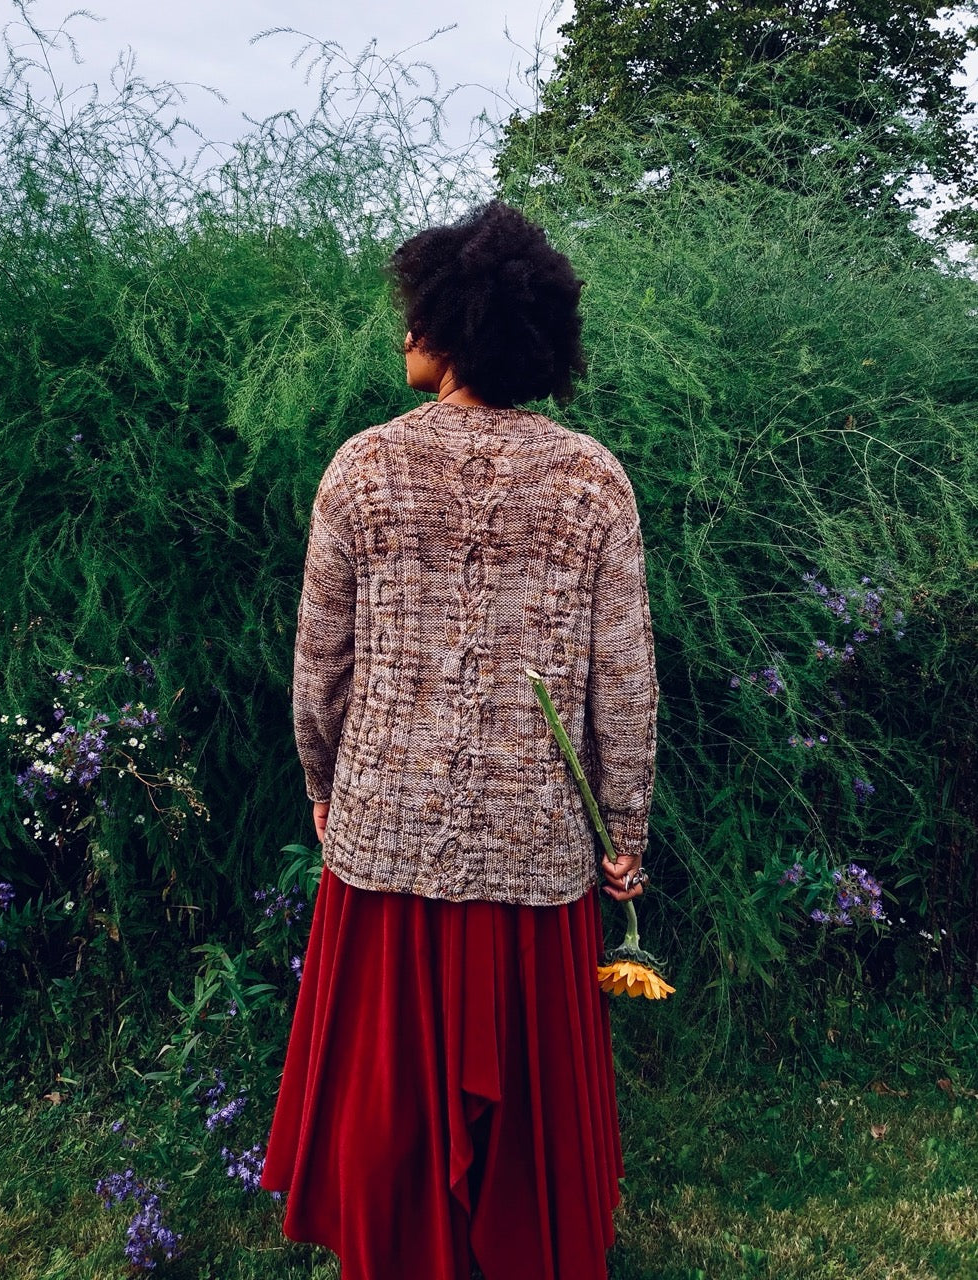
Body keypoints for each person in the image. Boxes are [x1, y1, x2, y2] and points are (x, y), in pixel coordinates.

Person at [260, 200, 658, 1280]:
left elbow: (320, 662)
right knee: (531, 1094)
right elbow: (623, 681)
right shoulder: (591, 478)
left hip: (387, 832)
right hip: (535, 846)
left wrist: (323, 779)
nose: (404, 334)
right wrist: (622, 829)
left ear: (453, 327)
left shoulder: (362, 468)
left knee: (387, 1085)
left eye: (416, 317)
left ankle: (399, 1242)